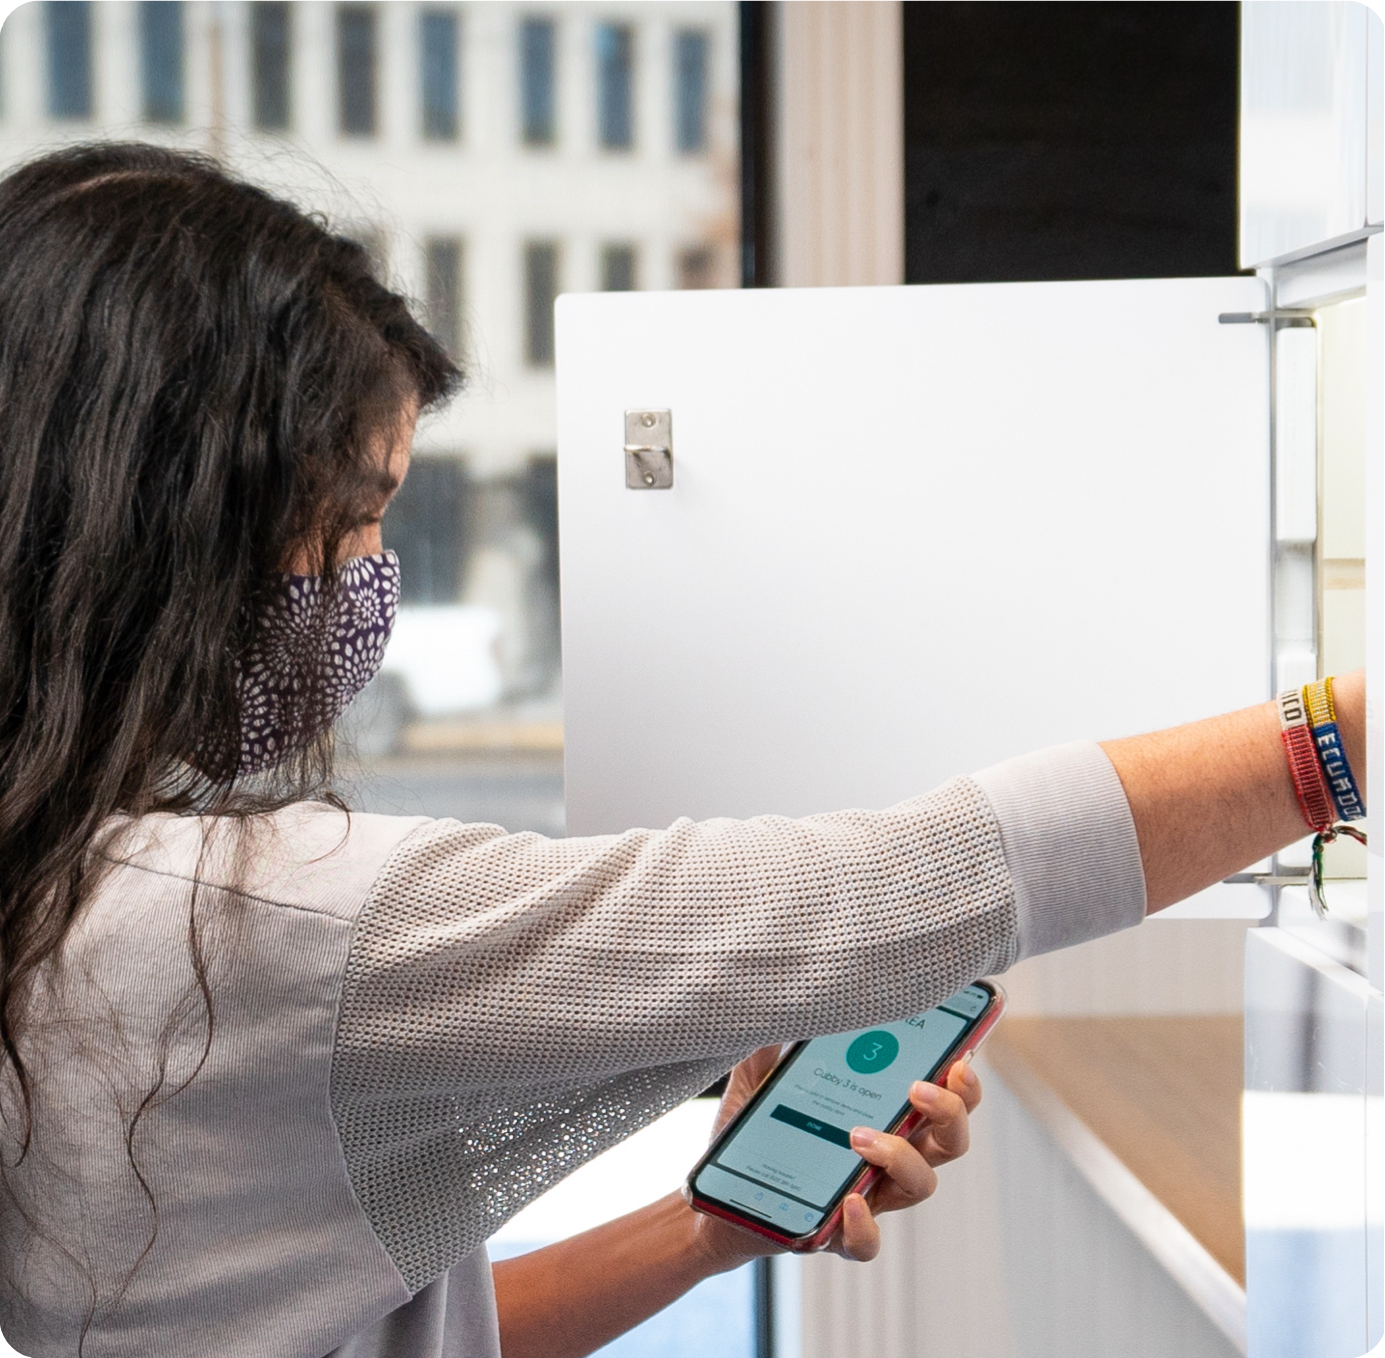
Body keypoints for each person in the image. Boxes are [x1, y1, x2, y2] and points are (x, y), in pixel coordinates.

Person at [0, 144, 1363, 1358]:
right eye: (353, 517)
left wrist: (713, 1224)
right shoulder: (240, 924)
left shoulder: (54, 876)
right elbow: (880, 894)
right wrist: (1339, 739)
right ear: (182, 522)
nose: (370, 575)